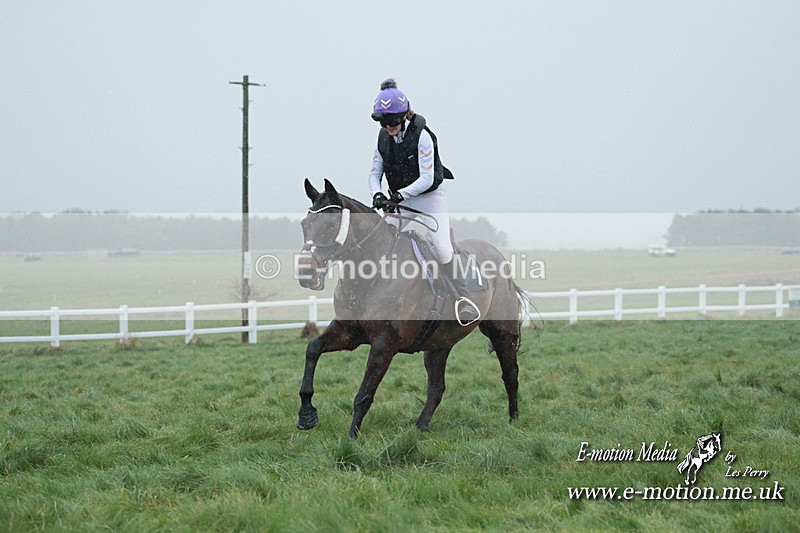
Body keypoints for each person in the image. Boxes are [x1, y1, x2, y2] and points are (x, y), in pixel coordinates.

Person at [368, 78, 480, 325]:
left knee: (441, 247)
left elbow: (428, 177)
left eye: (393, 121)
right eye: (384, 122)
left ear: (405, 116)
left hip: (430, 198)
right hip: (401, 201)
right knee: (383, 240)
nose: (389, 126)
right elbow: (374, 173)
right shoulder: (382, 138)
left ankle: (463, 298)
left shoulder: (423, 136)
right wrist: (377, 193)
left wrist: (399, 195)